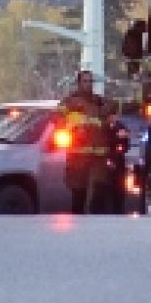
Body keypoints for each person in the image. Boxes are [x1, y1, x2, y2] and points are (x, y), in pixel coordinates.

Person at [57, 70, 114, 214]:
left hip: (98, 157)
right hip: (77, 157)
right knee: (78, 194)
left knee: (97, 193)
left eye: (90, 81)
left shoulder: (100, 102)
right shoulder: (69, 102)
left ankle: (95, 223)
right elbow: (58, 119)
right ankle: (78, 221)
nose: (88, 84)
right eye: (85, 81)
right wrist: (72, 123)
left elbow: (111, 117)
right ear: (78, 83)